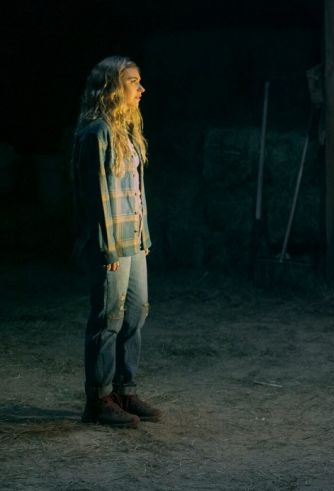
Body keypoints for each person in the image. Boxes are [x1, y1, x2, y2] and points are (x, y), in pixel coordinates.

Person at [71, 55, 162, 428]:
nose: (141, 88)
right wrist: (107, 247)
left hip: (133, 240)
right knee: (109, 317)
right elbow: (98, 197)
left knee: (136, 312)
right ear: (112, 87)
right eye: (133, 82)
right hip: (110, 242)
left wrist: (143, 237)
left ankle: (125, 389)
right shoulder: (97, 132)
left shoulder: (126, 130)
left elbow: (135, 192)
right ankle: (100, 397)